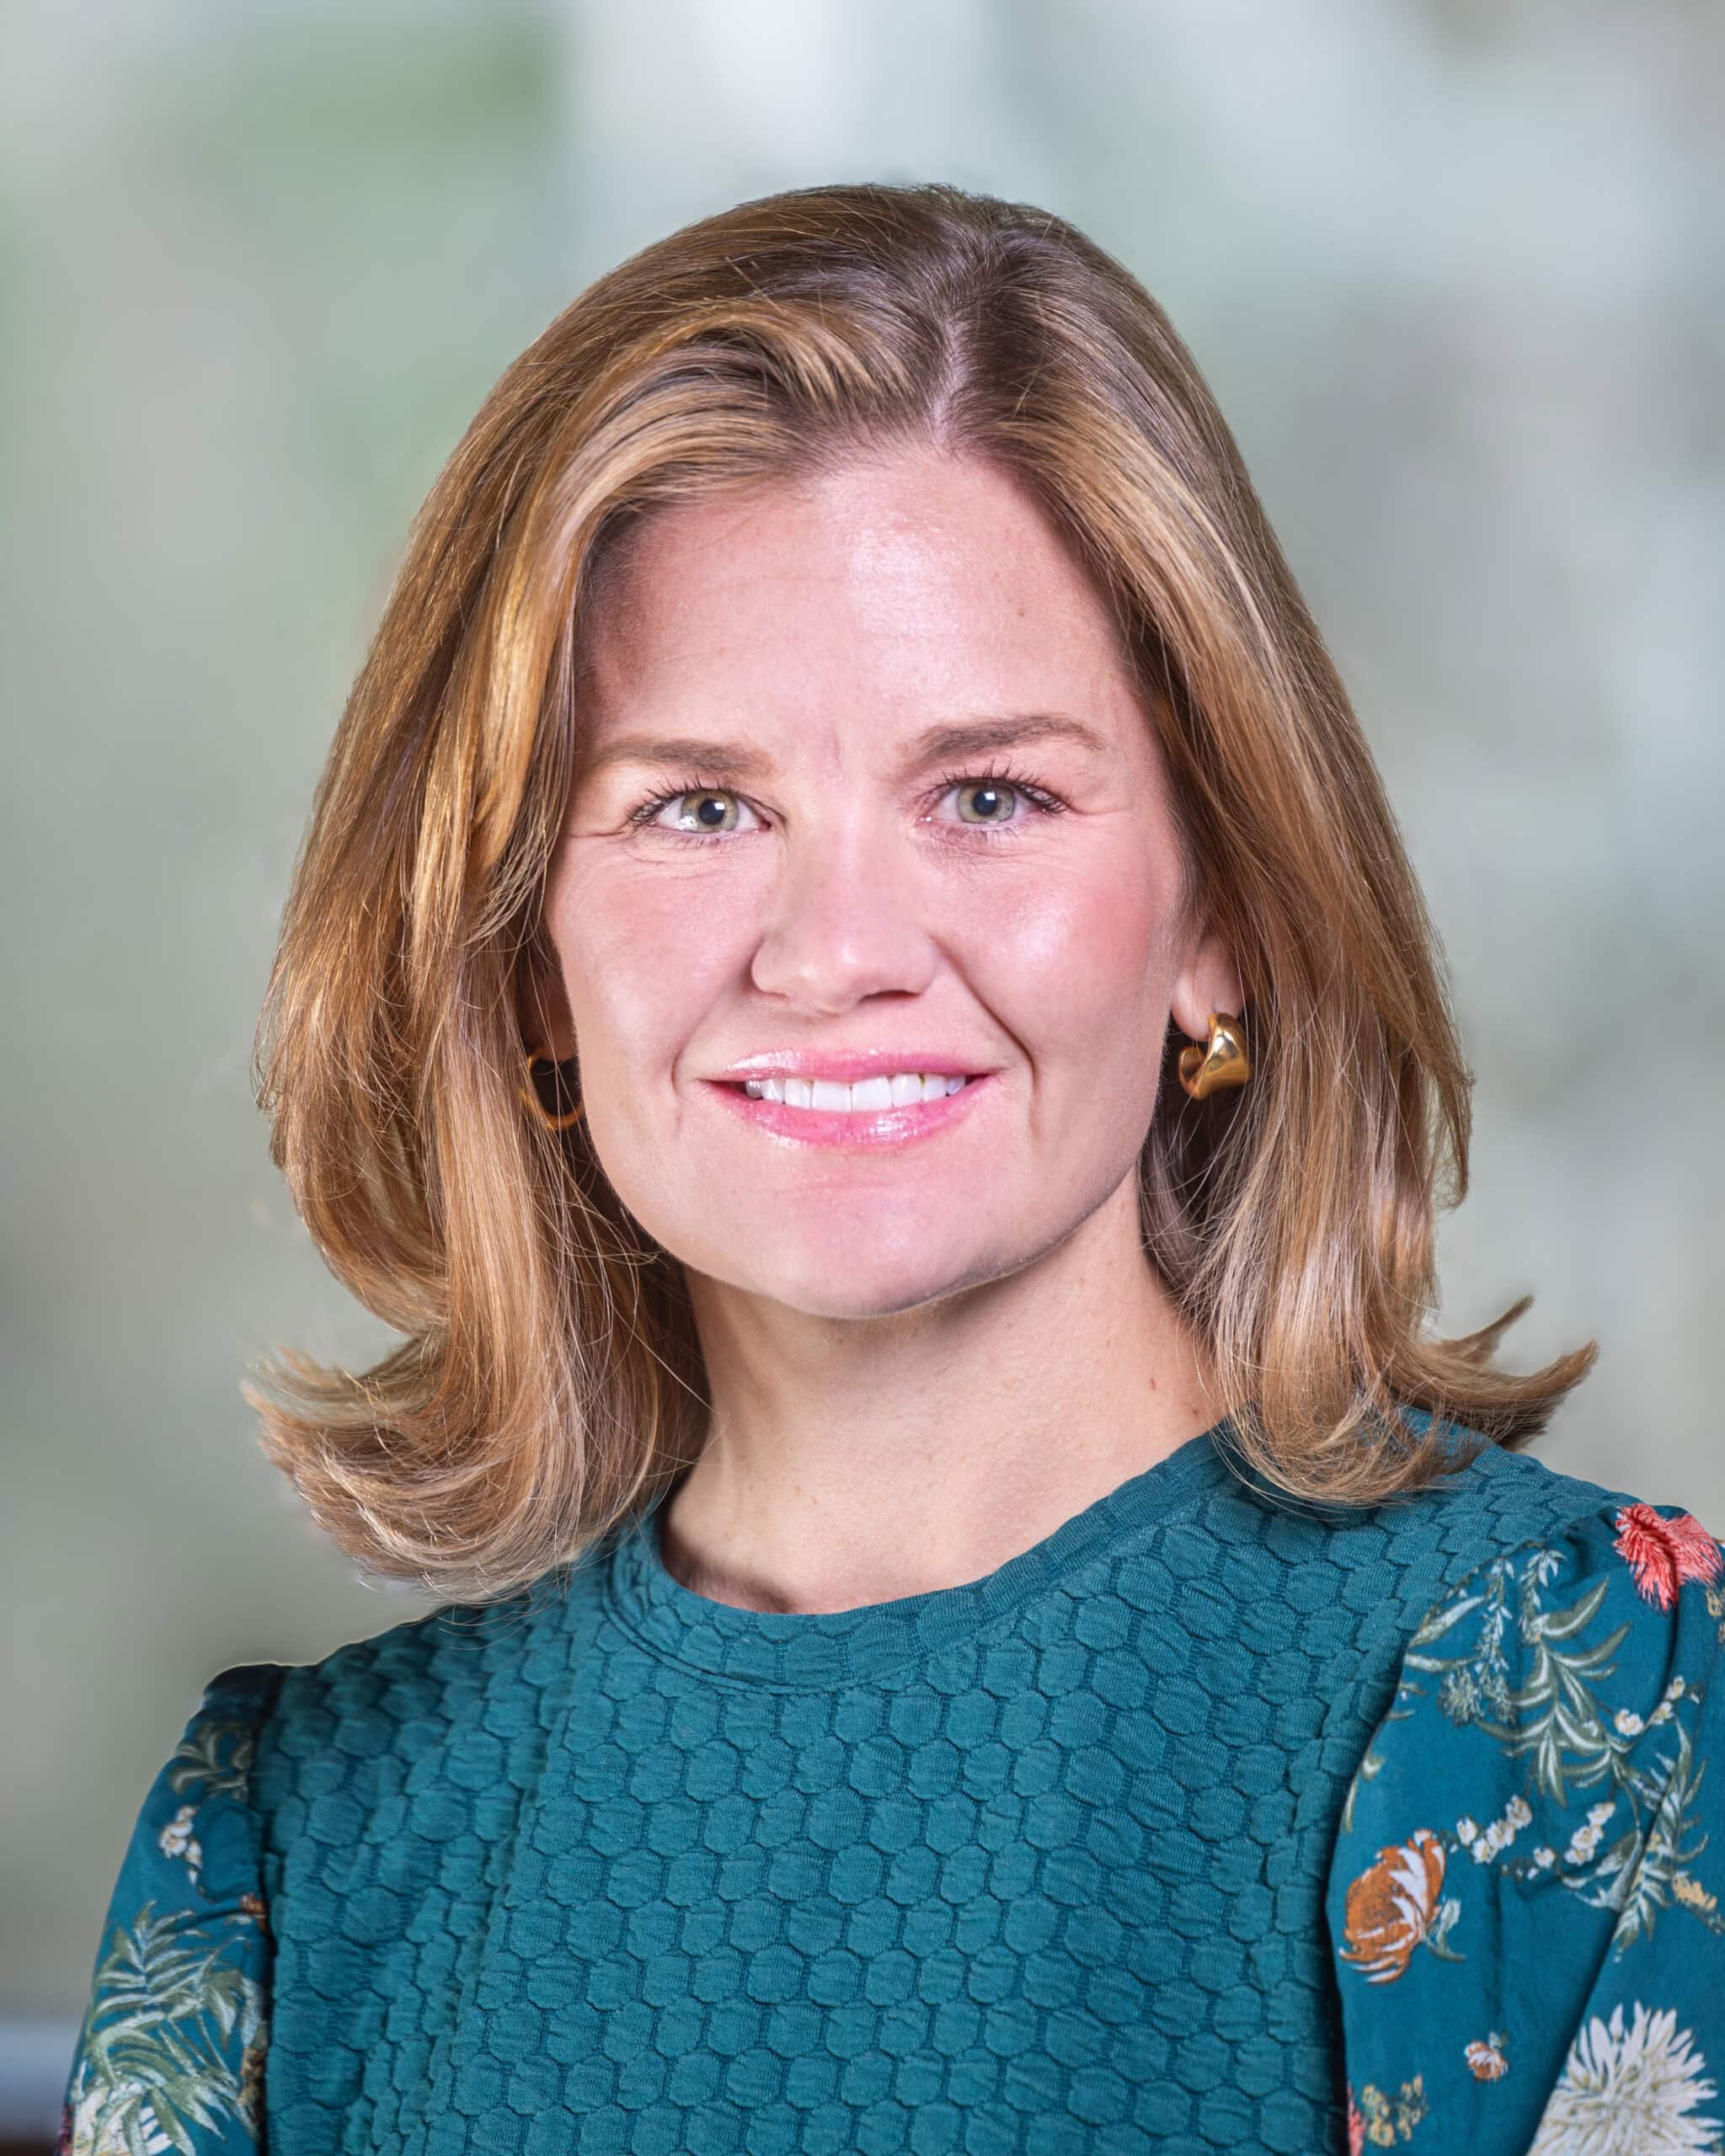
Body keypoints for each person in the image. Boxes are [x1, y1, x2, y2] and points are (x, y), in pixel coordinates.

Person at [60, 180, 1723, 2156]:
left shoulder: (1586, 1712)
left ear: (1223, 913)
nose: (835, 944)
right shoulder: (288, 1851)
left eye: (990, 794)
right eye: (695, 805)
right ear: (519, 952)